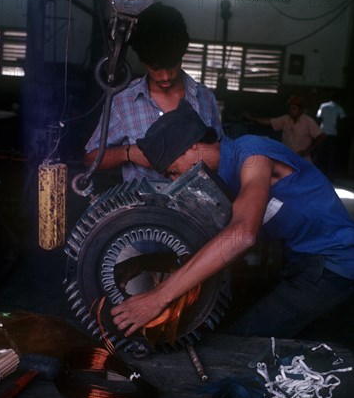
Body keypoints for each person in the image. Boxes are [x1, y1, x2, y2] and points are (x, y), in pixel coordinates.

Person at [111, 99, 354, 339]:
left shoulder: (253, 154)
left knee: (241, 341)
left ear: (192, 146)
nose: (175, 181)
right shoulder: (224, 185)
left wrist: (159, 297)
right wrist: (147, 263)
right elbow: (217, 248)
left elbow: (242, 235)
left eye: (173, 171)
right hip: (302, 263)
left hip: (334, 264)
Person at [84, 2, 223, 185]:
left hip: (196, 209)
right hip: (145, 211)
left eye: (172, 65)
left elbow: (223, 155)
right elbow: (90, 159)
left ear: (182, 55)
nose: (165, 76)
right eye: (155, 68)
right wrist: (129, 153)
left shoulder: (204, 97)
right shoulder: (124, 102)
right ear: (142, 60)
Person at [243, 95, 326, 162]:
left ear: (301, 110)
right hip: (287, 158)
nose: (291, 111)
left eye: (294, 108)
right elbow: (269, 121)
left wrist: (308, 151)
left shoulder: (308, 121)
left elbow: (321, 136)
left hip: (302, 160)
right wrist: (251, 118)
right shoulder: (286, 119)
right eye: (290, 108)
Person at [314, 91, 347, 180]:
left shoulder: (323, 106)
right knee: (331, 155)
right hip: (332, 133)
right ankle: (329, 175)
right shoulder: (339, 108)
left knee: (320, 154)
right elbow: (342, 120)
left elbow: (318, 117)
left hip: (322, 132)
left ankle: (317, 174)